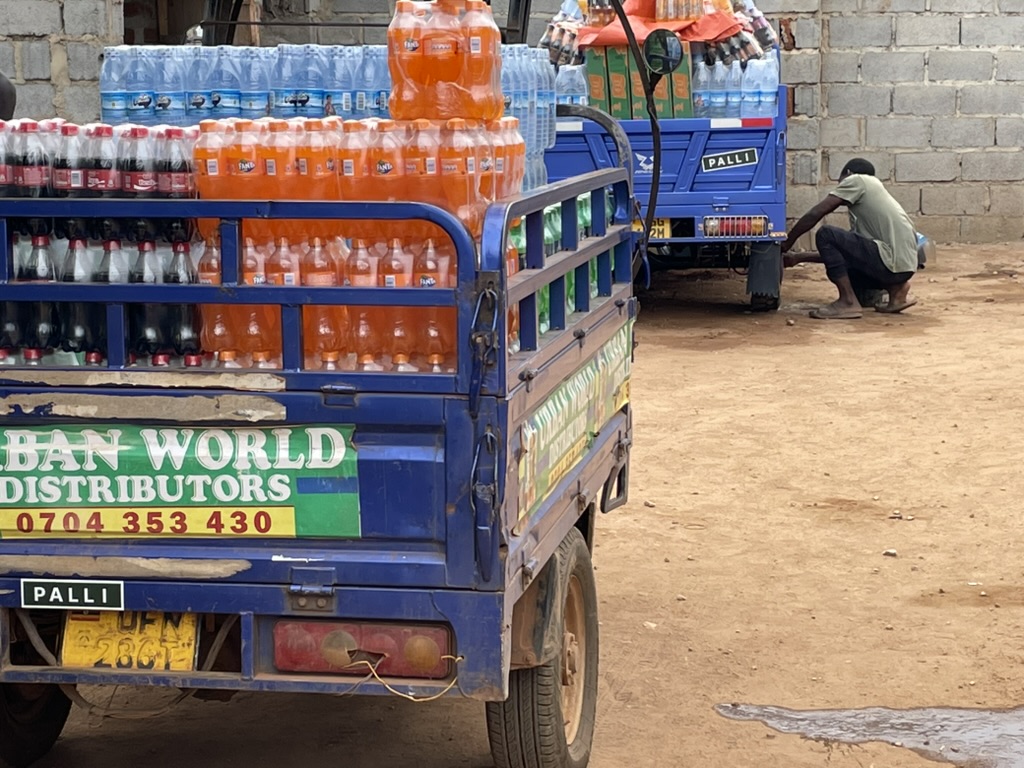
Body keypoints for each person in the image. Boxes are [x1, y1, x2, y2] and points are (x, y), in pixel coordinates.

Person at [781, 158, 918, 319]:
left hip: (889, 262)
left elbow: (815, 213)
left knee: (826, 234)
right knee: (846, 261)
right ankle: (897, 290)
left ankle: (847, 302)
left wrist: (787, 242)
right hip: (903, 269)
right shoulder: (873, 197)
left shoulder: (857, 180)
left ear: (848, 174)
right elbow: (847, 253)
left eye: (840, 182)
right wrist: (798, 258)